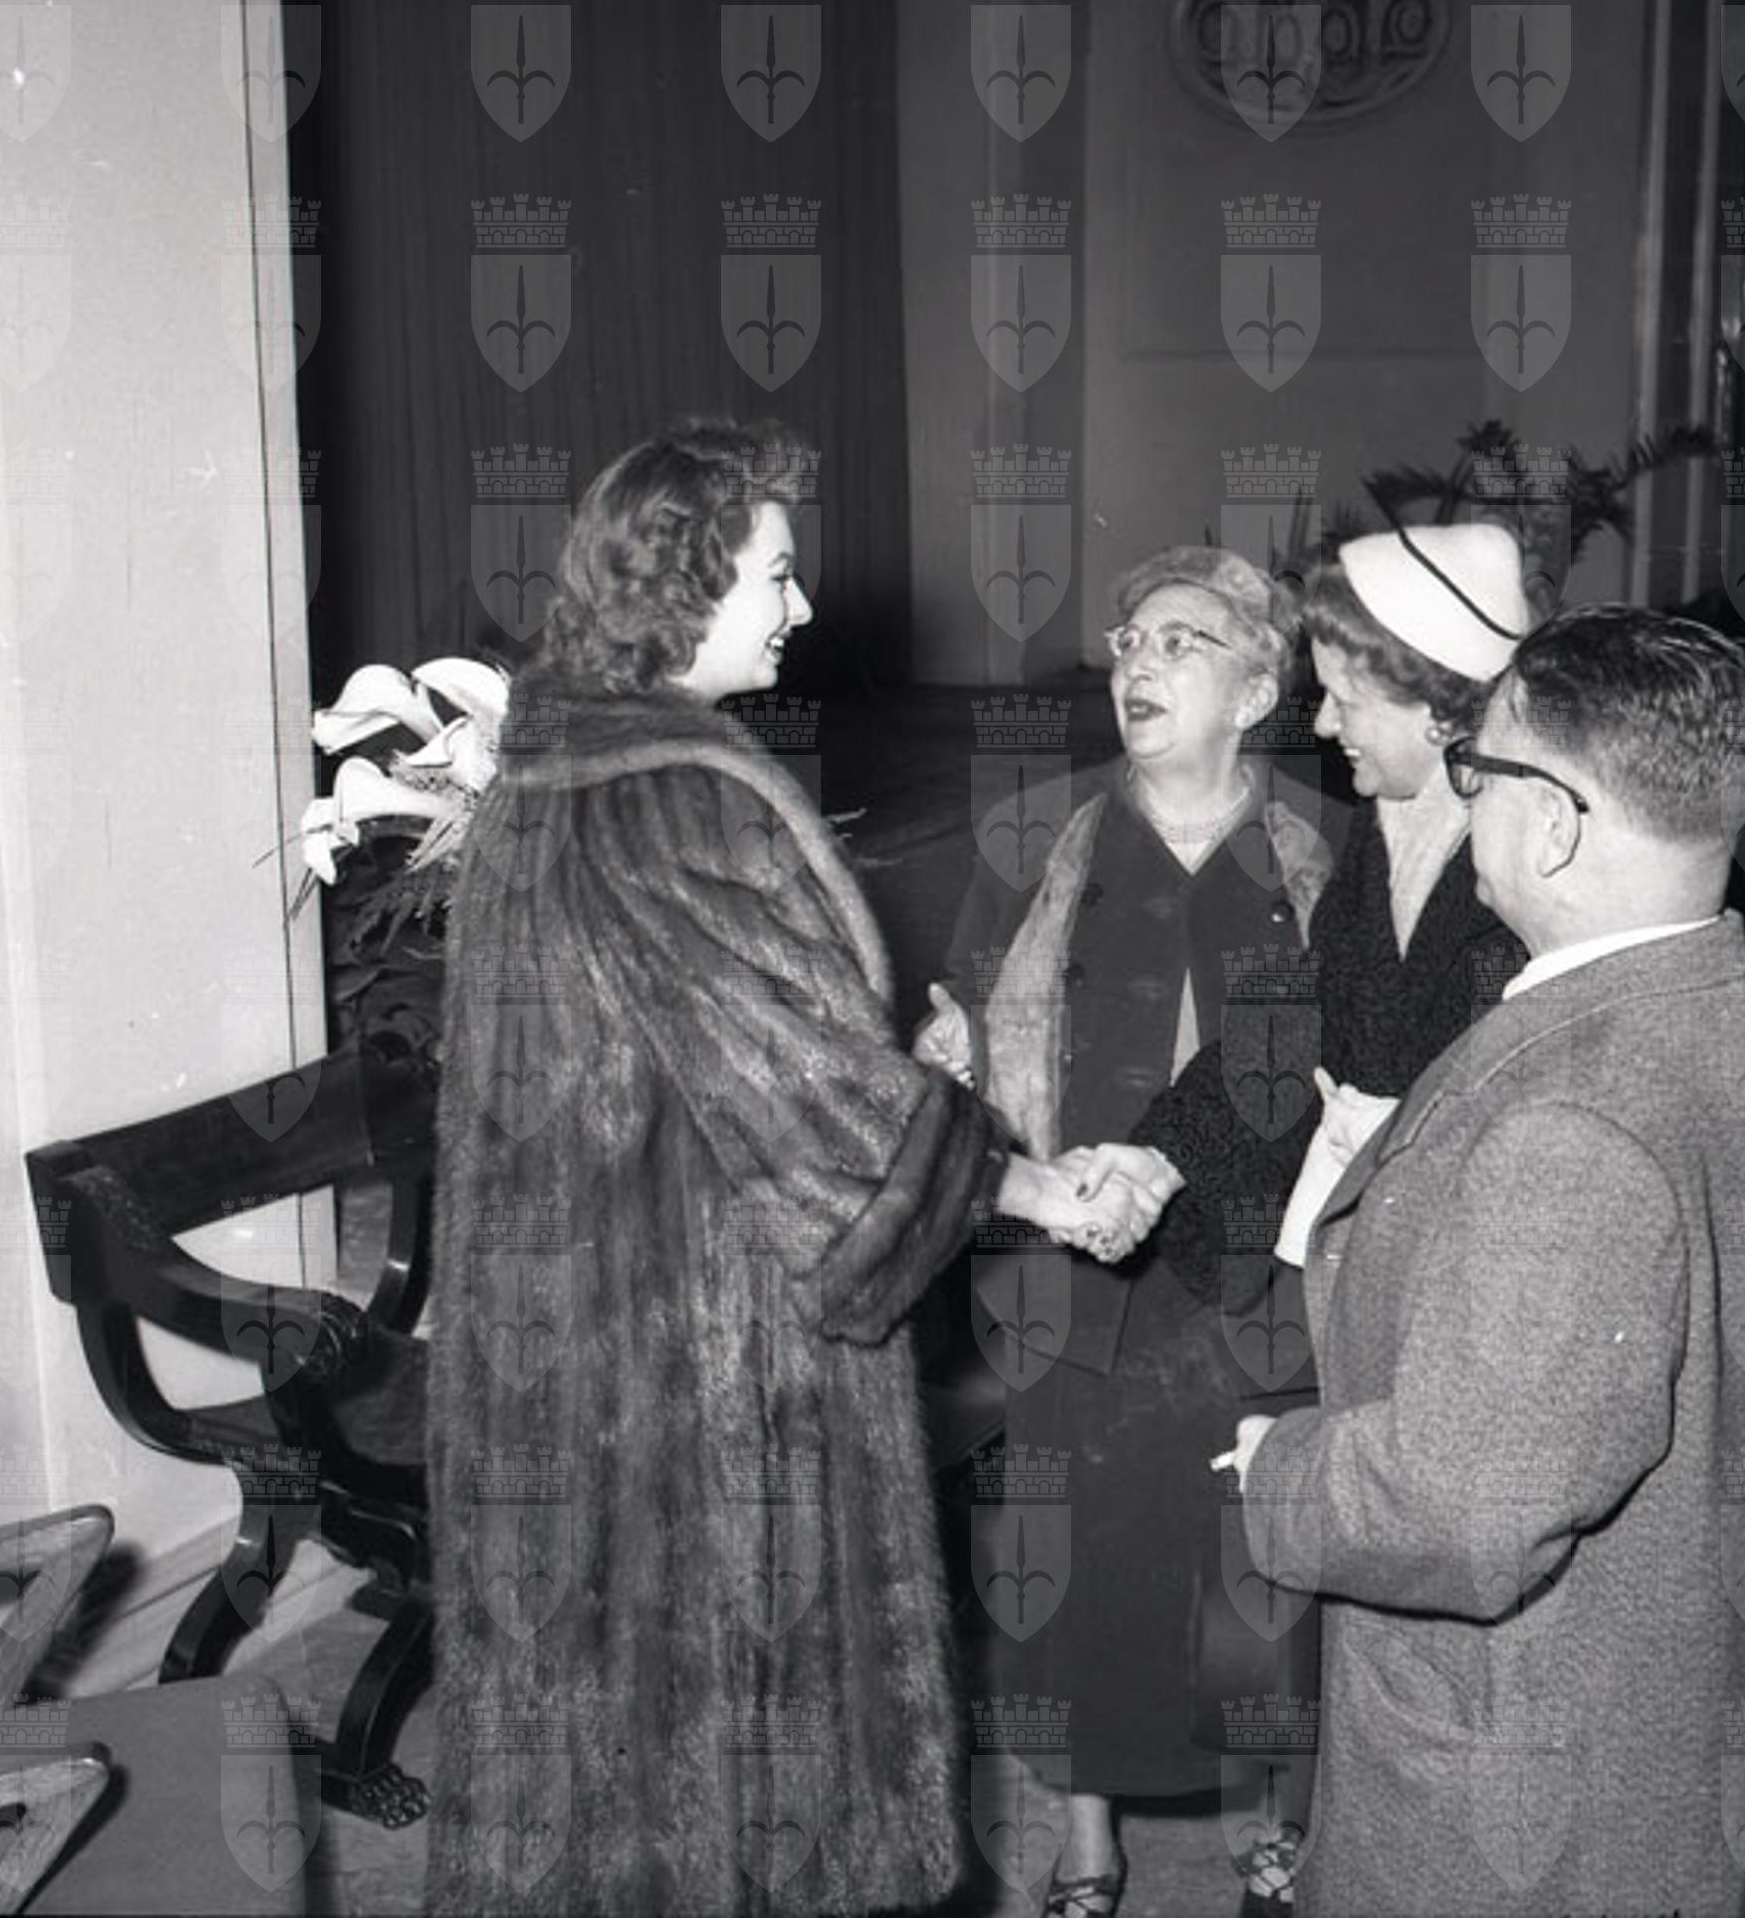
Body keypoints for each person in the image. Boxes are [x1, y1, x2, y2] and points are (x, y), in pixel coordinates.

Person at [424, 420, 1171, 1917]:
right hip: (699, 1363)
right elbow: (815, 1105)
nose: (803, 605)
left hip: (577, 1341)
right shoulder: (674, 797)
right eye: (775, 573)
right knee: (729, 1758)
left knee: (603, 1751)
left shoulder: (550, 773)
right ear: (685, 583)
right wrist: (1036, 1188)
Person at [1226, 607, 1745, 1918]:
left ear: (1555, 823)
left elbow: (1469, 1511)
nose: (1463, 794)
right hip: (1677, 1737)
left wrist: (1281, 1469)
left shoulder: (1569, 1122)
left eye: (1480, 767)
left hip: (1524, 1808)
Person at [1102, 522, 1534, 1911]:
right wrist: (1158, 1159)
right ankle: (1318, 1827)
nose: (1325, 720)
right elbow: (1285, 1032)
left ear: (1438, 702)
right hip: (1337, 1244)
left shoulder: (1520, 859)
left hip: (1440, 1274)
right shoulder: (1388, 829)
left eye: (1349, 693)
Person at [915, 547, 1331, 1918]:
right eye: (1131, 640)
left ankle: (1274, 1812)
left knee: (1253, 1553)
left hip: (1258, 1263)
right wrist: (949, 1053)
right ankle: (1086, 1834)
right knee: (1076, 1557)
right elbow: (964, 1024)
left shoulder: (1332, 848)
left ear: (1258, 690)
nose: (1138, 664)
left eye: (1182, 642)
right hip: (1072, 1255)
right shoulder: (1036, 834)